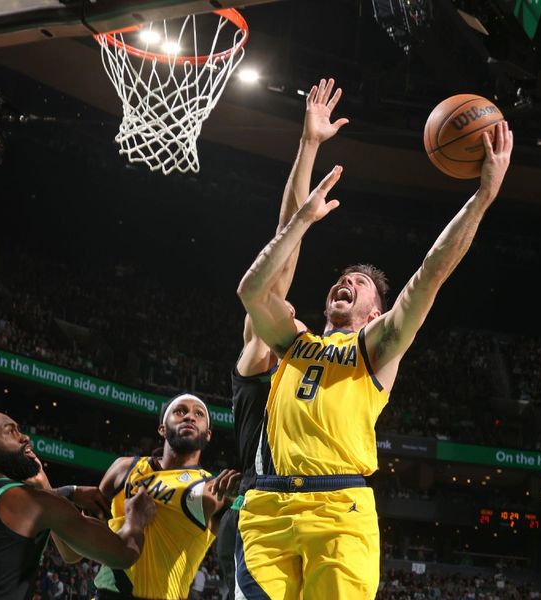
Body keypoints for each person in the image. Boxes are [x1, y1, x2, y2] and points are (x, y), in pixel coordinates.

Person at [236, 116, 513, 598]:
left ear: (374, 312)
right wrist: (303, 208)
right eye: (344, 277)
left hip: (341, 506)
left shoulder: (375, 347)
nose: (347, 281)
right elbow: (256, 287)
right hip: (266, 508)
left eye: (360, 283)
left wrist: (482, 198)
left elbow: (430, 275)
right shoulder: (292, 341)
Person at [216, 77, 346, 600]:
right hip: (261, 508)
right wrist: (309, 145)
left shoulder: (313, 356)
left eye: (291, 311)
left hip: (311, 509)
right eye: (284, 307)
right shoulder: (260, 351)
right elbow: (282, 249)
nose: (289, 310)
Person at [0, 409, 156, 600]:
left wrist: (62, 492)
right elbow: (123, 554)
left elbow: (70, 555)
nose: (24, 437)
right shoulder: (25, 501)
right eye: (11, 432)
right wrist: (135, 518)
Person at [88, 393, 241, 599]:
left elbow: (242, 547)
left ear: (208, 434)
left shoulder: (212, 489)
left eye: (199, 413)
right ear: (162, 428)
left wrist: (241, 501)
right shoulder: (124, 468)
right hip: (107, 592)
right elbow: (83, 540)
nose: (189, 417)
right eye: (180, 411)